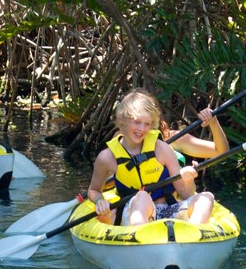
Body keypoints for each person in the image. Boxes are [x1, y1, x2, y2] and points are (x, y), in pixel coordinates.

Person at [87, 88, 216, 226]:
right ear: (122, 120)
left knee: (207, 197)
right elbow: (94, 190)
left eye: (147, 124)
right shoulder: (106, 157)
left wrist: (188, 180)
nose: (142, 129)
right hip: (134, 212)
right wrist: (100, 201)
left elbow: (185, 195)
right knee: (142, 197)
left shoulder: (161, 148)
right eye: (137, 122)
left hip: (168, 210)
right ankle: (141, 238)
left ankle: (193, 237)